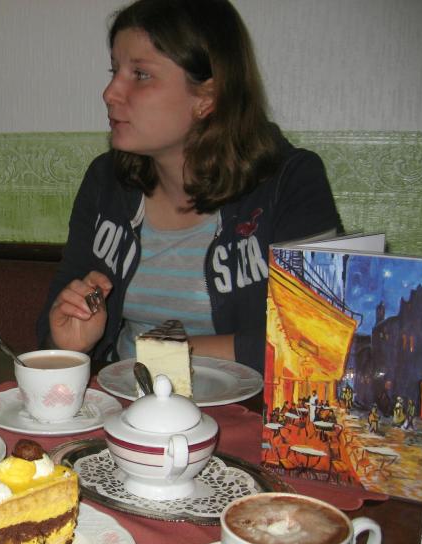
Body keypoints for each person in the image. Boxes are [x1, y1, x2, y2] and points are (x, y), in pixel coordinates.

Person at [36, 0, 342, 373]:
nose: (110, 92)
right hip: (125, 399)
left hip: (240, 405)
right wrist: (67, 344)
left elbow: (318, 343)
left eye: (140, 74)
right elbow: (53, 330)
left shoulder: (292, 182)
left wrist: (164, 355)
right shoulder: (106, 182)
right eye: (115, 70)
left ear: (207, 97)